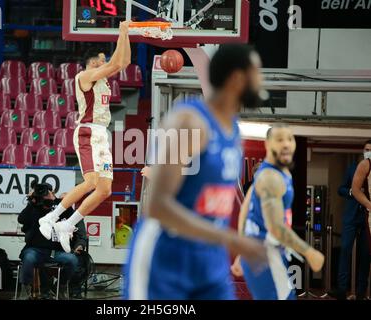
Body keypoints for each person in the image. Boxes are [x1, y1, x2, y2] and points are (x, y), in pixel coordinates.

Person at [123, 44, 268, 300]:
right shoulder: (189, 121)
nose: (261, 81)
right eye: (256, 73)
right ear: (236, 79)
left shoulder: (233, 130)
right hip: (166, 255)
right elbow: (157, 205)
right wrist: (234, 240)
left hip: (209, 256)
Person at [39, 21, 132, 253]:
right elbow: (117, 62)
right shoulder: (85, 76)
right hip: (88, 132)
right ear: (94, 61)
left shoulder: (102, 79)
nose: (106, 61)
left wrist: (126, 35)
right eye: (103, 58)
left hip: (101, 134)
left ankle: (67, 225)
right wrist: (122, 31)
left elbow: (125, 62)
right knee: (90, 181)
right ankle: (50, 217)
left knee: (104, 190)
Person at [231, 124, 325, 300]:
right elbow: (275, 227)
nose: (286, 144)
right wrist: (309, 252)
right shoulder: (270, 178)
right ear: (268, 144)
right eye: (280, 140)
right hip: (263, 255)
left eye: (290, 139)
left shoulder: (278, 173)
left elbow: (245, 210)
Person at [18, 183, 87, 300]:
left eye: (47, 192)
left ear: (52, 192)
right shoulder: (34, 205)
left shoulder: (62, 206)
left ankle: (61, 286)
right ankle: (26, 289)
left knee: (72, 260)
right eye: (42, 193)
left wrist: (54, 201)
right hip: (36, 249)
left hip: (57, 250)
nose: (44, 195)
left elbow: (77, 223)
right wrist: (31, 202)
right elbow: (21, 219)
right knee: (29, 258)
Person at [335, 140, 371, 300]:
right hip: (351, 215)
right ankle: (342, 289)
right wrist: (353, 191)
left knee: (365, 255)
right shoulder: (353, 169)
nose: (368, 152)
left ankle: (361, 291)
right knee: (345, 250)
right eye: (366, 149)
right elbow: (340, 189)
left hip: (367, 218)